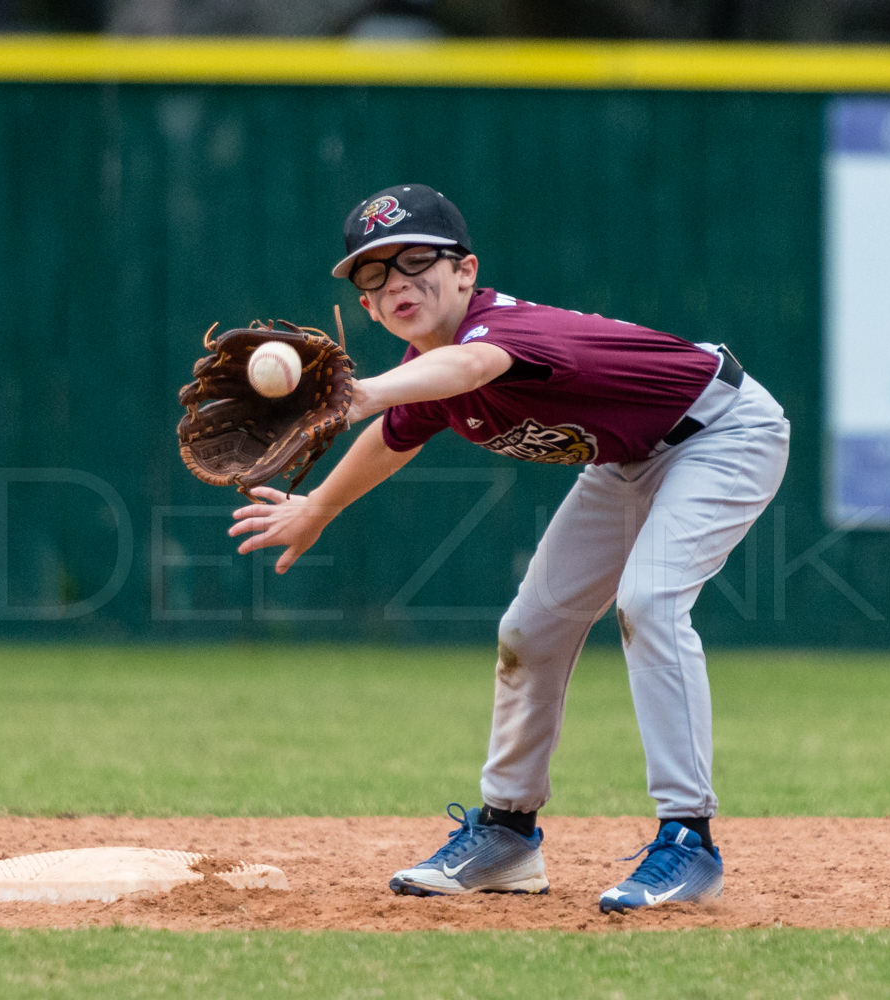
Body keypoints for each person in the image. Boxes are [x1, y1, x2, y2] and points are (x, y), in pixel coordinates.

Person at [229, 183, 790, 912]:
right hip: (629, 459)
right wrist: (319, 507)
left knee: (650, 603)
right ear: (364, 304)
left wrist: (362, 391)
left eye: (416, 260)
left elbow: (468, 369)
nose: (397, 281)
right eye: (375, 273)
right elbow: (396, 435)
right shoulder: (423, 368)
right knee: (532, 629)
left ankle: (689, 842)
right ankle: (507, 835)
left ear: (466, 271)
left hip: (723, 430)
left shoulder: (502, 333)